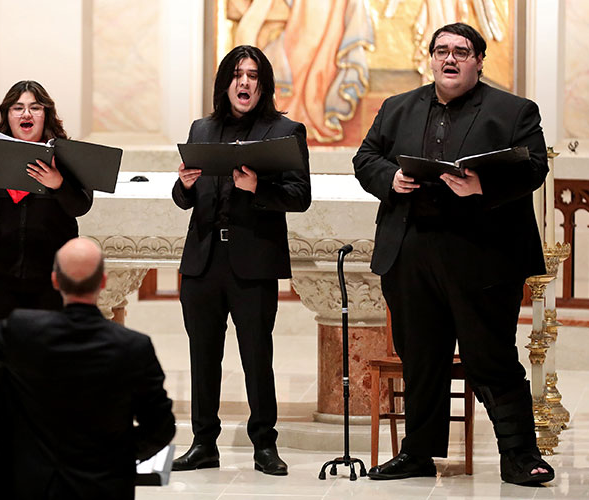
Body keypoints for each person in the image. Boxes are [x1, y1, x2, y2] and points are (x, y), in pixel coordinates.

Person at [352, 23, 554, 485]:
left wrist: (482, 185)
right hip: (411, 252)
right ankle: (417, 453)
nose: (450, 58)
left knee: (491, 358)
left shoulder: (514, 111)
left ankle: (520, 455)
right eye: (441, 50)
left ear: (479, 61)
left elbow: (535, 166)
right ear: (430, 58)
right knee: (421, 358)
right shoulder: (397, 107)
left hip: (482, 255)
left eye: (461, 51)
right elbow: (366, 158)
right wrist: (390, 179)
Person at [0, 233, 175, 500]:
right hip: (101, 486)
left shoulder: (23, 331)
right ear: (102, 281)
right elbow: (161, 427)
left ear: (55, 280)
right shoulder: (134, 347)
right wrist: (117, 455)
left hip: (27, 485)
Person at [171, 45, 311, 476]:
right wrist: (185, 184)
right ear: (224, 83)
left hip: (253, 262)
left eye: (252, 75)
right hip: (203, 260)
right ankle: (202, 443)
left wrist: (256, 190)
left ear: (263, 84)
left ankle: (264, 446)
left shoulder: (284, 130)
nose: (244, 82)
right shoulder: (202, 128)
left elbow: (299, 197)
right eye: (236, 74)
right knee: (203, 355)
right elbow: (183, 200)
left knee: (256, 354)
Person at [0, 80, 93, 439]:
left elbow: (82, 205)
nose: (26, 114)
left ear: (46, 114)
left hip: (51, 278)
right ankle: (2, 439)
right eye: (18, 108)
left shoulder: (64, 155)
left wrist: (59, 183)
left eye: (34, 107)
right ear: (7, 116)